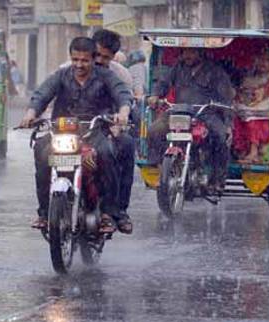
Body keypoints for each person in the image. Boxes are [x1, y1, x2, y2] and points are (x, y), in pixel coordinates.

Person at [19, 37, 131, 233]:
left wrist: (123, 112)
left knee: (107, 153)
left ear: (93, 59)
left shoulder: (106, 76)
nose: (79, 65)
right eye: (75, 60)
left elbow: (122, 94)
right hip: (62, 132)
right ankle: (44, 213)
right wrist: (30, 114)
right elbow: (42, 94)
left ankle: (108, 213)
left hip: (95, 132)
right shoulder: (61, 76)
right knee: (41, 150)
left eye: (84, 60)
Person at [147, 48, 235, 188]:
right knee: (154, 130)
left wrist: (228, 123)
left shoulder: (215, 71)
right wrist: (155, 95)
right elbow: (163, 83)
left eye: (192, 52)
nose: (187, 56)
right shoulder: (178, 68)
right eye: (185, 52)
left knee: (220, 136)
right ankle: (160, 170)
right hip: (179, 111)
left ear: (201, 53)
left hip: (206, 113)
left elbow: (226, 99)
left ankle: (218, 178)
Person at [91, 29, 137, 234]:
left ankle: (118, 210)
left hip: (108, 128)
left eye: (105, 57)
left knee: (126, 145)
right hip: (76, 128)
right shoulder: (69, 68)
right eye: (96, 54)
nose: (99, 60)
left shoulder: (121, 74)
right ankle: (48, 210)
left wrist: (121, 119)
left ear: (114, 57)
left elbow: (125, 100)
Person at [232, 49, 269, 163]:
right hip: (249, 107)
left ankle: (254, 151)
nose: (262, 63)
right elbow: (243, 89)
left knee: (252, 121)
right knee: (236, 118)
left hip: (267, 111)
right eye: (260, 60)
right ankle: (241, 150)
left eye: (266, 60)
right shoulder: (251, 75)